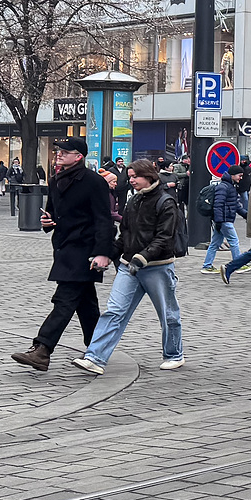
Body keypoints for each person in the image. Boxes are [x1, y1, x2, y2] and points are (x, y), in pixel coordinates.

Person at [11, 137, 115, 372]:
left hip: (85, 250)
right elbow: (53, 214)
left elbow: (103, 219)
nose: (59, 154)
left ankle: (42, 349)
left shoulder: (93, 181)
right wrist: (47, 221)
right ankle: (97, 348)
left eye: (65, 151)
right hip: (64, 247)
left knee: (64, 300)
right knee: (86, 304)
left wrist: (102, 253)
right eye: (59, 150)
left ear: (79, 156)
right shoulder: (57, 178)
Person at [75, 159, 187, 373]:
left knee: (168, 314)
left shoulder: (165, 201)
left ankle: (174, 354)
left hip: (157, 266)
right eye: (130, 176)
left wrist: (142, 257)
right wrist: (108, 255)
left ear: (149, 176)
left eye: (136, 176)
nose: (132, 180)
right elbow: (124, 235)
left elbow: (164, 238)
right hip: (129, 266)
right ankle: (95, 357)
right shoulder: (133, 201)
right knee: (114, 311)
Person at [199, 167, 250, 274]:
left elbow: (235, 205)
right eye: (239, 176)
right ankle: (238, 265)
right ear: (232, 175)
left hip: (223, 219)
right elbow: (218, 205)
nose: (241, 178)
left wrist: (246, 215)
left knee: (215, 243)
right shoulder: (224, 187)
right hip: (224, 220)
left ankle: (207, 266)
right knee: (234, 241)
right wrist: (219, 221)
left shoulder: (229, 186)